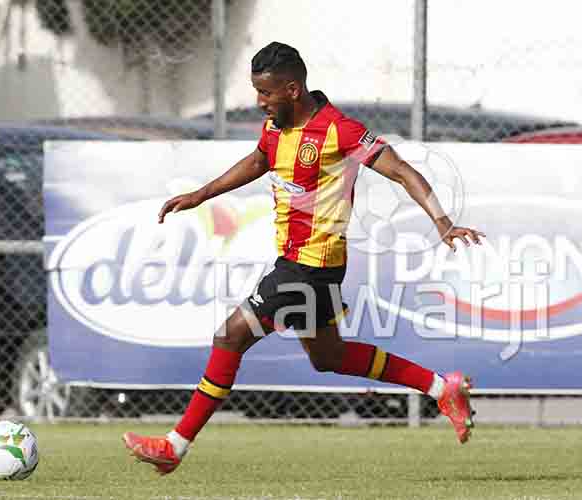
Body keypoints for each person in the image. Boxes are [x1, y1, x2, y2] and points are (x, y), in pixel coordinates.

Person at [122, 41, 485, 475]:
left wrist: (443, 222)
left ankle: (174, 446)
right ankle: (442, 388)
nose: (260, 102)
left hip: (308, 266)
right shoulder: (277, 125)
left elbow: (402, 171)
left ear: (292, 89)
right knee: (328, 357)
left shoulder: (339, 131)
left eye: (266, 93)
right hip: (310, 266)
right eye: (257, 92)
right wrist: (202, 194)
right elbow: (258, 160)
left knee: (230, 336)